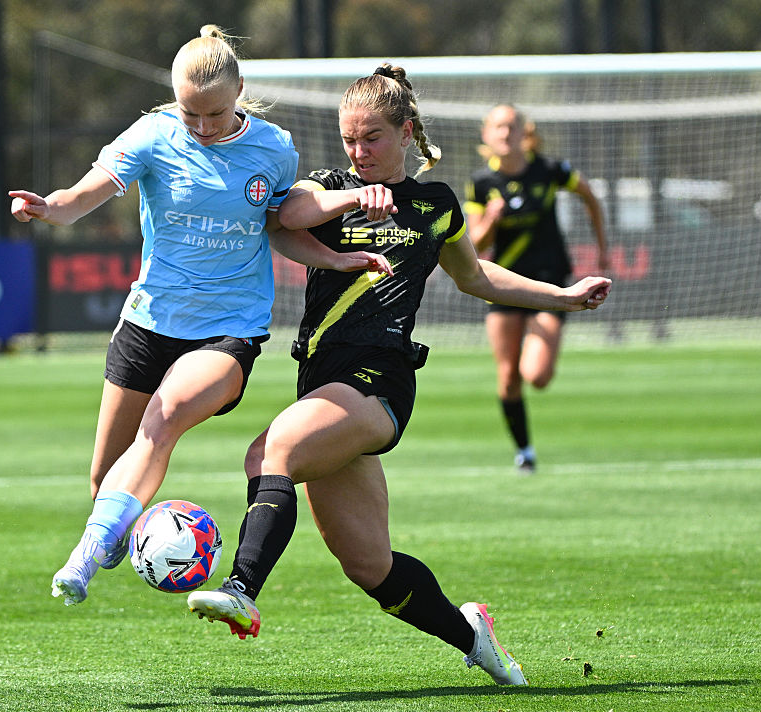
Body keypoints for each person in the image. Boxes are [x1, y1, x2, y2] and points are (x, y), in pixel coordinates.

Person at [186, 64, 612, 686]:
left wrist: (563, 296)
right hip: (323, 385)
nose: (359, 152)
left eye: (373, 139)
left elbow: (476, 277)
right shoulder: (334, 187)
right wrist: (353, 195)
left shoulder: (434, 203)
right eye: (350, 139)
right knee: (371, 569)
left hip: (379, 381)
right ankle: (473, 636)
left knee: (271, 448)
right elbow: (287, 214)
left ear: (406, 132)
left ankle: (242, 587)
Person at [9, 26, 388, 606]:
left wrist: (333, 259)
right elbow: (84, 195)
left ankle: (79, 561)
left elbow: (280, 227)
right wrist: (50, 208)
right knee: (103, 480)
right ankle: (119, 537)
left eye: (214, 113)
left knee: (162, 422)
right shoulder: (153, 135)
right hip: (148, 322)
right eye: (191, 114)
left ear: (239, 90)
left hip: (228, 330)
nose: (203, 127)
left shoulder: (273, 148)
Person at [464, 103, 608, 472]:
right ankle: (524, 451)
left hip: (549, 283)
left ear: (524, 132)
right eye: (498, 127)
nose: (505, 133)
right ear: (487, 135)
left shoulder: (550, 170)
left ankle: (537, 334)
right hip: (503, 285)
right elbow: (475, 247)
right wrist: (491, 221)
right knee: (508, 377)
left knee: (537, 375)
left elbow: (589, 195)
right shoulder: (481, 183)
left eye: (512, 126)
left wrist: (603, 246)